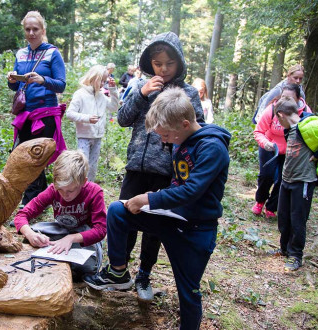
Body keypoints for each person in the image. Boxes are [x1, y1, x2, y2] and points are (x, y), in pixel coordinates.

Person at [84, 87, 231, 330]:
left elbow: (191, 191)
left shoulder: (212, 148)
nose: (163, 141)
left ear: (184, 124)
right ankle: (118, 272)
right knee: (119, 211)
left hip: (196, 230)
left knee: (189, 293)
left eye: (167, 136)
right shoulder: (180, 139)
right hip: (171, 218)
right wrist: (149, 202)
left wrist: (147, 198)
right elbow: (178, 184)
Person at [114, 31, 204, 302]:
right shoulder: (141, 86)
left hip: (167, 172)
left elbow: (196, 127)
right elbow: (122, 118)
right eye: (157, 63)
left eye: (169, 63)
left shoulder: (188, 92)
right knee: (124, 215)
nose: (163, 69)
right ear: (149, 63)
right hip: (136, 167)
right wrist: (141, 94)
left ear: (179, 63)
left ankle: (144, 274)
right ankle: (117, 271)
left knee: (154, 226)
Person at [13, 150, 107, 279]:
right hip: (61, 231)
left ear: (83, 182)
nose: (65, 195)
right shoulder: (53, 190)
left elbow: (101, 230)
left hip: (82, 237)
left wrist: (71, 238)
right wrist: (30, 234)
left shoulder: (94, 192)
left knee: (87, 268)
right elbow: (22, 215)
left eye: (71, 190)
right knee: (33, 236)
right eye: (60, 189)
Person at [7, 11, 67, 207]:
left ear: (43, 30)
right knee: (27, 155)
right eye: (28, 29)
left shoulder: (52, 53)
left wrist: (43, 80)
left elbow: (61, 84)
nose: (31, 33)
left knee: (35, 157)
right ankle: (41, 197)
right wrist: (12, 80)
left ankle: (29, 202)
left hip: (46, 113)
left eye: (35, 29)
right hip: (25, 114)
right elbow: (16, 87)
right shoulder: (21, 54)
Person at [268, 97, 318, 271]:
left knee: (297, 220)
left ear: (281, 115)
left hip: (303, 181)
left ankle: (296, 255)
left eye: (277, 119)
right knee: (283, 218)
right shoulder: (290, 130)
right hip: (287, 180)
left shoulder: (309, 126)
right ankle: (285, 249)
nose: (278, 123)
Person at [252, 84, 311, 218]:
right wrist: (266, 143)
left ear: (298, 99)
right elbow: (259, 131)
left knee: (283, 180)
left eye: (289, 98)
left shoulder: (305, 111)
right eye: (283, 97)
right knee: (267, 175)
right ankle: (260, 201)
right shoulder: (272, 109)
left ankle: (271, 207)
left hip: (290, 150)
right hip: (270, 146)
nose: (285, 101)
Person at [66, 65, 119, 182]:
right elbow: (69, 113)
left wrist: (113, 90)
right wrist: (87, 118)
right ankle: (78, 187)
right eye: (101, 81)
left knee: (93, 167)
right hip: (84, 137)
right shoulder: (80, 94)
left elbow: (114, 107)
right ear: (94, 78)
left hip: (97, 137)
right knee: (82, 166)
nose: (102, 84)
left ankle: (89, 190)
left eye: (104, 82)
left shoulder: (101, 96)